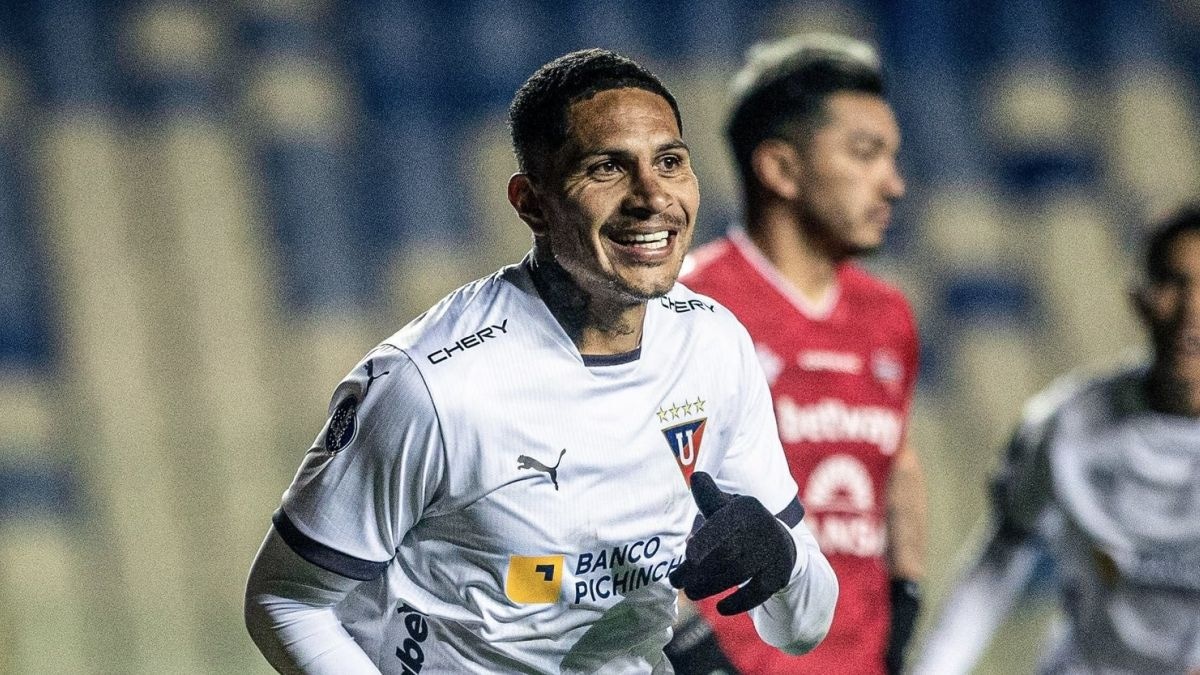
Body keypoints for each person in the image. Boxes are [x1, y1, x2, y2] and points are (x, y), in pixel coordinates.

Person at [243, 48, 838, 674]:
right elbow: (284, 600)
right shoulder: (432, 387)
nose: (651, 197)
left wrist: (784, 559)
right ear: (531, 203)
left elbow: (802, 628)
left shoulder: (715, 346)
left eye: (670, 162)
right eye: (607, 168)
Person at [668, 33, 926, 674]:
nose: (893, 185)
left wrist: (906, 599)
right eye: (866, 155)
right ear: (780, 169)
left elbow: (896, 465)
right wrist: (691, 651)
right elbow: (637, 500)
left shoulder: (889, 316)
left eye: (893, 157)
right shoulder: (688, 308)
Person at [914, 206, 1200, 674]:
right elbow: (998, 563)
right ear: (1140, 299)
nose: (1192, 311)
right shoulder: (1068, 426)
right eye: (1174, 283)